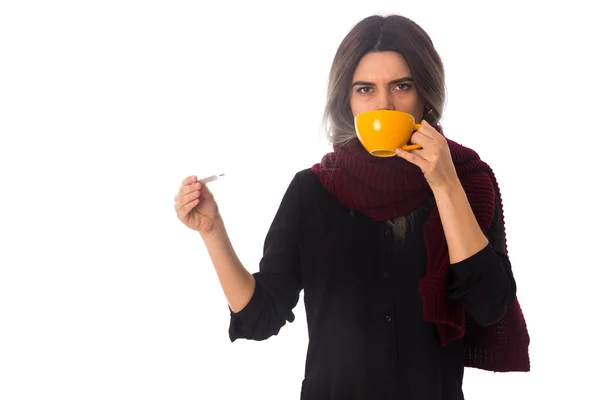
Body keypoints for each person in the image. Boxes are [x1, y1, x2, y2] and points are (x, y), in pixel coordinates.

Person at [174, 14, 530, 400]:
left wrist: (444, 184)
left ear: (425, 93)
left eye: (402, 86)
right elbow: (261, 317)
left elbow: (490, 304)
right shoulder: (310, 191)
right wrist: (213, 232)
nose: (384, 104)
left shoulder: (466, 180)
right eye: (365, 89)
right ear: (347, 99)